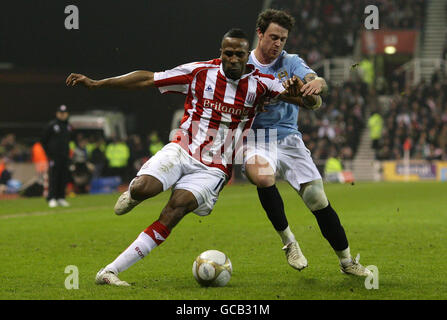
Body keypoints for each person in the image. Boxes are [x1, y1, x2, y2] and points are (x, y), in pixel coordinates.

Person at [66, 28, 319, 286]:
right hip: (183, 149)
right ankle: (134, 193)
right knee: (144, 188)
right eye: (227, 53)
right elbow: (147, 79)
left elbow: (308, 102)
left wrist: (304, 89)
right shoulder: (200, 72)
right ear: (221, 53)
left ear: (247, 56)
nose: (232, 59)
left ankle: (109, 272)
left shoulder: (261, 83)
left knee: (174, 210)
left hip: (214, 168)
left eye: (239, 54)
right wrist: (98, 83)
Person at [243, 9, 371, 276]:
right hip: (257, 137)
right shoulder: (243, 66)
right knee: (264, 178)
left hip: (289, 137)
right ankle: (289, 242)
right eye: (273, 37)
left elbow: (315, 85)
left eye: (283, 39)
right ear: (260, 34)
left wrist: (317, 85)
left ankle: (347, 262)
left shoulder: (291, 62)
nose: (278, 44)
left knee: (317, 198)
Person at [41, 105, 72, 208]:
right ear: (57, 113)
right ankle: (52, 198)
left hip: (65, 157)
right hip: (54, 157)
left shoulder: (68, 126)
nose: (63, 115)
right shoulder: (52, 125)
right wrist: (49, 154)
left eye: (64, 113)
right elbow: (43, 141)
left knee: (63, 177)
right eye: (61, 113)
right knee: (54, 177)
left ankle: (61, 197)